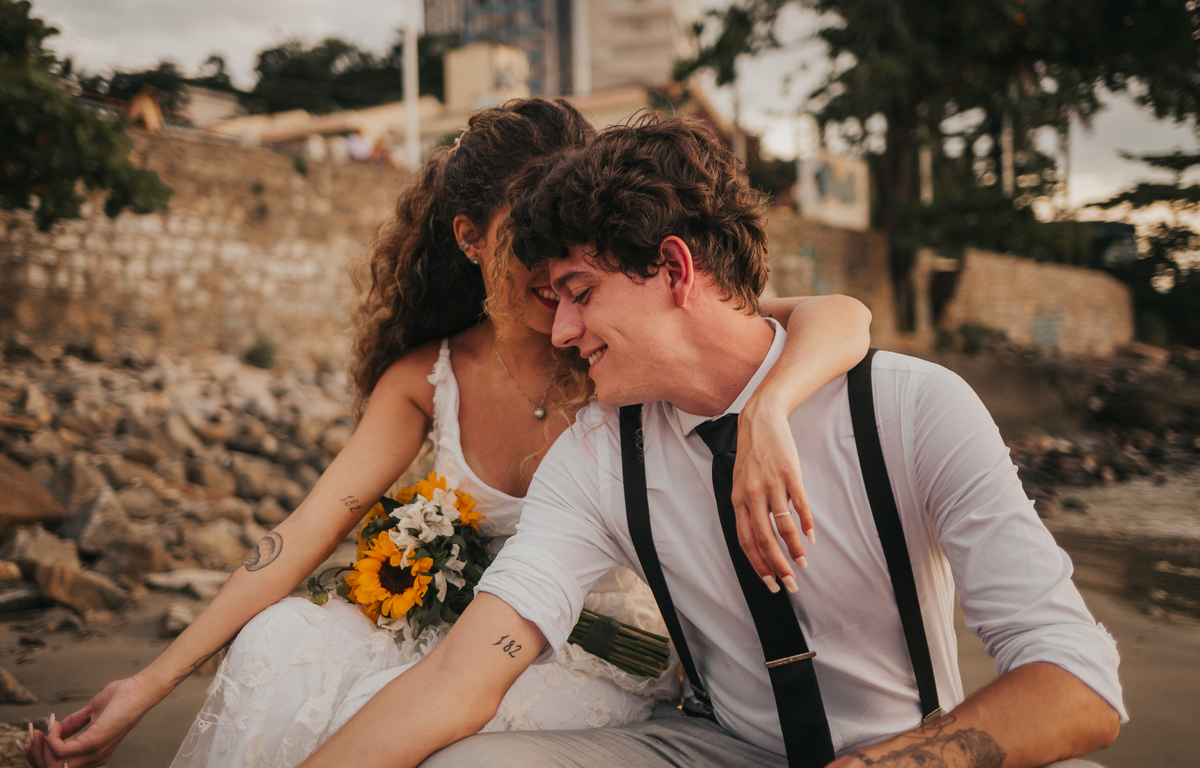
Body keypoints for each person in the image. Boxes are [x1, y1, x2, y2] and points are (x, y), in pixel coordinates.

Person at [24, 99, 873, 768]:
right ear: (468, 236)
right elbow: (301, 535)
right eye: (525, 239)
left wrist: (769, 408)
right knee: (282, 643)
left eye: (567, 245)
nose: (553, 273)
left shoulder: (624, 346)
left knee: (455, 725)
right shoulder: (424, 380)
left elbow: (840, 316)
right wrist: (148, 681)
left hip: (608, 650)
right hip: (454, 641)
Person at [291, 115, 1126, 768]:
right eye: (551, 298)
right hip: (716, 749)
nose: (563, 328)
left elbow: (1078, 681)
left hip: (907, 747)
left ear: (676, 270)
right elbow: (463, 672)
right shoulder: (596, 457)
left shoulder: (909, 408)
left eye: (578, 293)